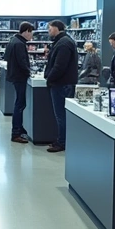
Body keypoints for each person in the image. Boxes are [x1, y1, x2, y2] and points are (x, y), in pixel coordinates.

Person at [43, 20, 78, 153]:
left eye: (50, 29)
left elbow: (59, 66)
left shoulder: (63, 44)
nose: (48, 32)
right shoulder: (62, 41)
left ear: (57, 28)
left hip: (61, 84)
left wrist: (50, 78)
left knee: (61, 114)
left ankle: (62, 142)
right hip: (62, 83)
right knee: (61, 114)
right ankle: (61, 139)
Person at [4, 22, 33, 143]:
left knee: (19, 103)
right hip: (19, 77)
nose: (32, 36)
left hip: (14, 76)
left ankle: (19, 128)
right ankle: (16, 132)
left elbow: (6, 57)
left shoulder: (13, 40)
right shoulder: (20, 44)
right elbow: (22, 62)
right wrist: (29, 72)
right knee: (20, 104)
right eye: (31, 33)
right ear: (26, 31)